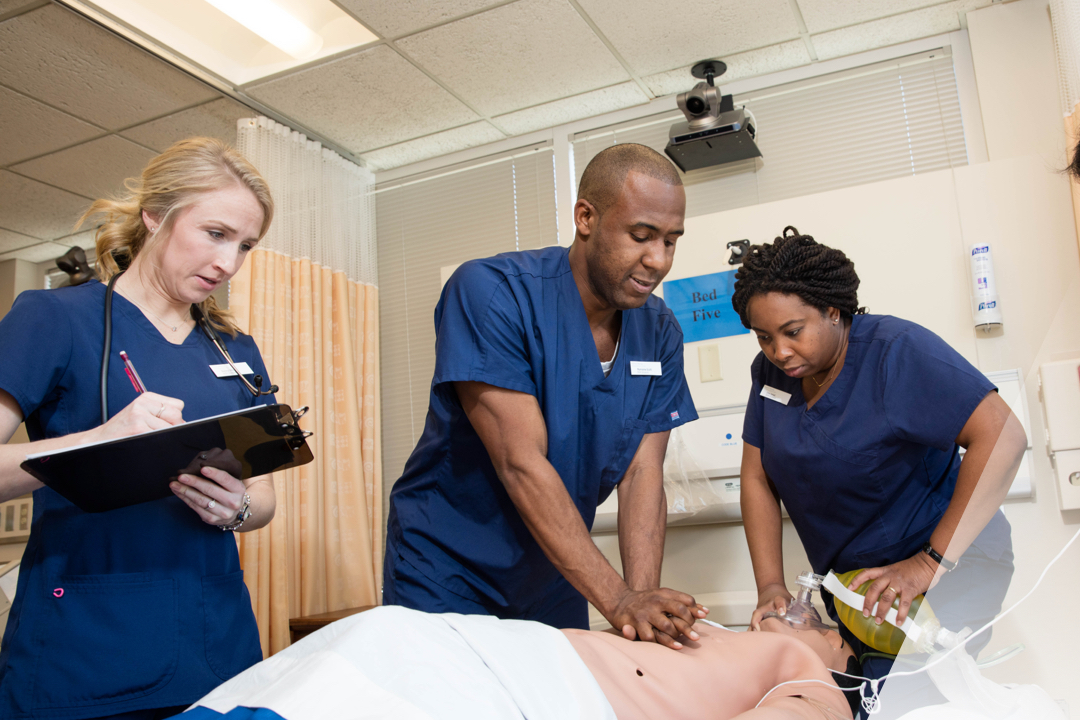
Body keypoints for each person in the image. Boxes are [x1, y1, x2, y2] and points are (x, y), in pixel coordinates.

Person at [0, 138, 279, 719]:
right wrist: (98, 438)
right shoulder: (55, 318)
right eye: (216, 233)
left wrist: (238, 510)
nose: (229, 263)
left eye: (245, 246)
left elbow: (264, 494)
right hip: (89, 642)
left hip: (216, 637)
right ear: (155, 217)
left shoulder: (234, 348)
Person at [384, 143, 704, 647]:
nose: (658, 260)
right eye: (641, 236)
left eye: (670, 241)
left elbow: (642, 473)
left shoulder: (659, 331)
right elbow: (521, 462)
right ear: (586, 217)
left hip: (557, 565)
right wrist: (618, 599)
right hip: (451, 566)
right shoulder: (492, 293)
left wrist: (642, 610)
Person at [730, 227, 1026, 688]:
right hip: (859, 591)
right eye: (763, 337)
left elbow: (1004, 435)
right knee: (859, 695)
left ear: (833, 311)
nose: (779, 351)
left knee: (909, 700)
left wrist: (929, 562)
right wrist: (770, 585)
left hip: (949, 567)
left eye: (792, 332)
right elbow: (758, 476)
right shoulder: (771, 373)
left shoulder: (895, 352)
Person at [187, 604, 857, 720]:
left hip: (503, 687)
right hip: (447, 650)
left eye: (825, 622)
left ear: (848, 657)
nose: (800, 610)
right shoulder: (725, 635)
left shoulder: (806, 665)